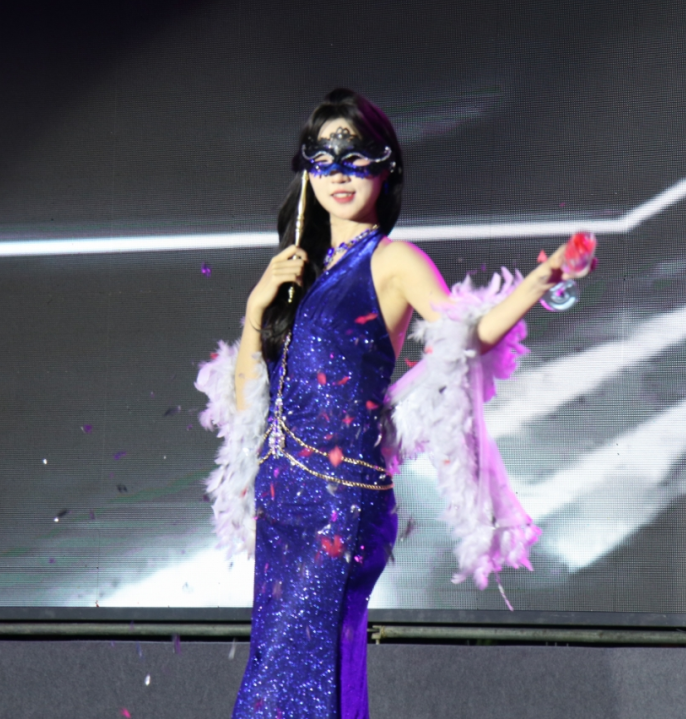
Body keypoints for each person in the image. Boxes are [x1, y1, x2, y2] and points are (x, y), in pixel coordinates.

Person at [196, 88, 592, 719]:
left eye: (356, 158)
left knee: (298, 686)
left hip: (338, 505)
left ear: (386, 168)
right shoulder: (297, 270)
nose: (339, 174)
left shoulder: (393, 261)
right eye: (324, 159)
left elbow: (465, 339)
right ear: (307, 172)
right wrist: (255, 310)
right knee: (283, 677)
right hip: (282, 505)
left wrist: (541, 281)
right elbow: (248, 407)